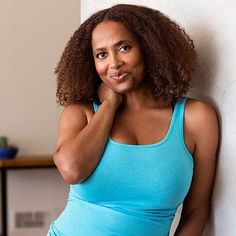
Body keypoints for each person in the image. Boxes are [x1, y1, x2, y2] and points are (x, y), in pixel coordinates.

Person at [47, 4, 219, 236]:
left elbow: (197, 212)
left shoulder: (195, 118)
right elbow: (71, 170)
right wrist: (109, 106)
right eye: (101, 54)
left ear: (150, 48)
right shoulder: (82, 113)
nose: (114, 63)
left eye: (124, 48)